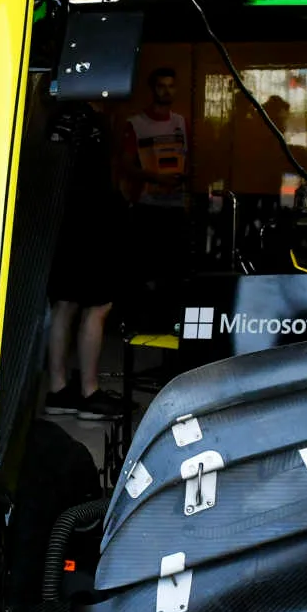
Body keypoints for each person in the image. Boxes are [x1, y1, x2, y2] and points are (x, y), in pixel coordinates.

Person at [42, 97, 124, 421]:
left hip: (61, 219)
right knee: (98, 306)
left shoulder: (58, 115)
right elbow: (101, 174)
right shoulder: (90, 120)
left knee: (64, 304)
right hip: (90, 220)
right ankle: (89, 391)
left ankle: (58, 389)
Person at [119, 66, 192, 327]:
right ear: (153, 89)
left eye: (171, 86)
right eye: (161, 86)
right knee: (141, 270)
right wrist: (154, 177)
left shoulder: (181, 122)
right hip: (146, 207)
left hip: (175, 207)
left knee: (173, 272)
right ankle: (136, 324)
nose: (167, 91)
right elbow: (126, 165)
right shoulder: (136, 123)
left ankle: (168, 323)